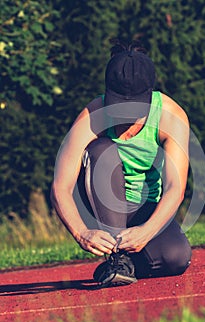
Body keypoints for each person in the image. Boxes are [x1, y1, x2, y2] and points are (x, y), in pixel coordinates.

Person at [51, 39, 192, 287]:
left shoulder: (171, 117)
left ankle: (124, 263)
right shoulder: (91, 116)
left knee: (176, 258)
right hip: (100, 202)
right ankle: (118, 260)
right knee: (102, 150)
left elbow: (175, 189)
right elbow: (61, 187)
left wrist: (146, 231)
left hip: (145, 204)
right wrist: (82, 233)